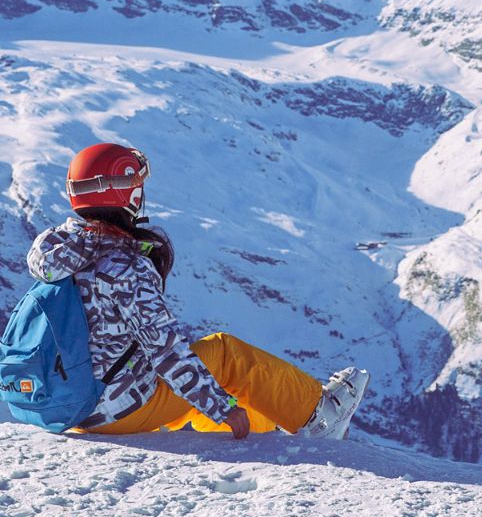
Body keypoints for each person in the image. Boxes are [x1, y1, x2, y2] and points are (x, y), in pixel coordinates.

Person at [27, 141, 367, 440]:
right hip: (115, 410)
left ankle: (278, 430)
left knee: (193, 391)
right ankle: (318, 415)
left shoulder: (62, 254)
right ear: (123, 192)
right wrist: (221, 408)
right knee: (225, 355)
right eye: (135, 184)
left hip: (79, 408)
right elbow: (165, 351)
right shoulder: (124, 266)